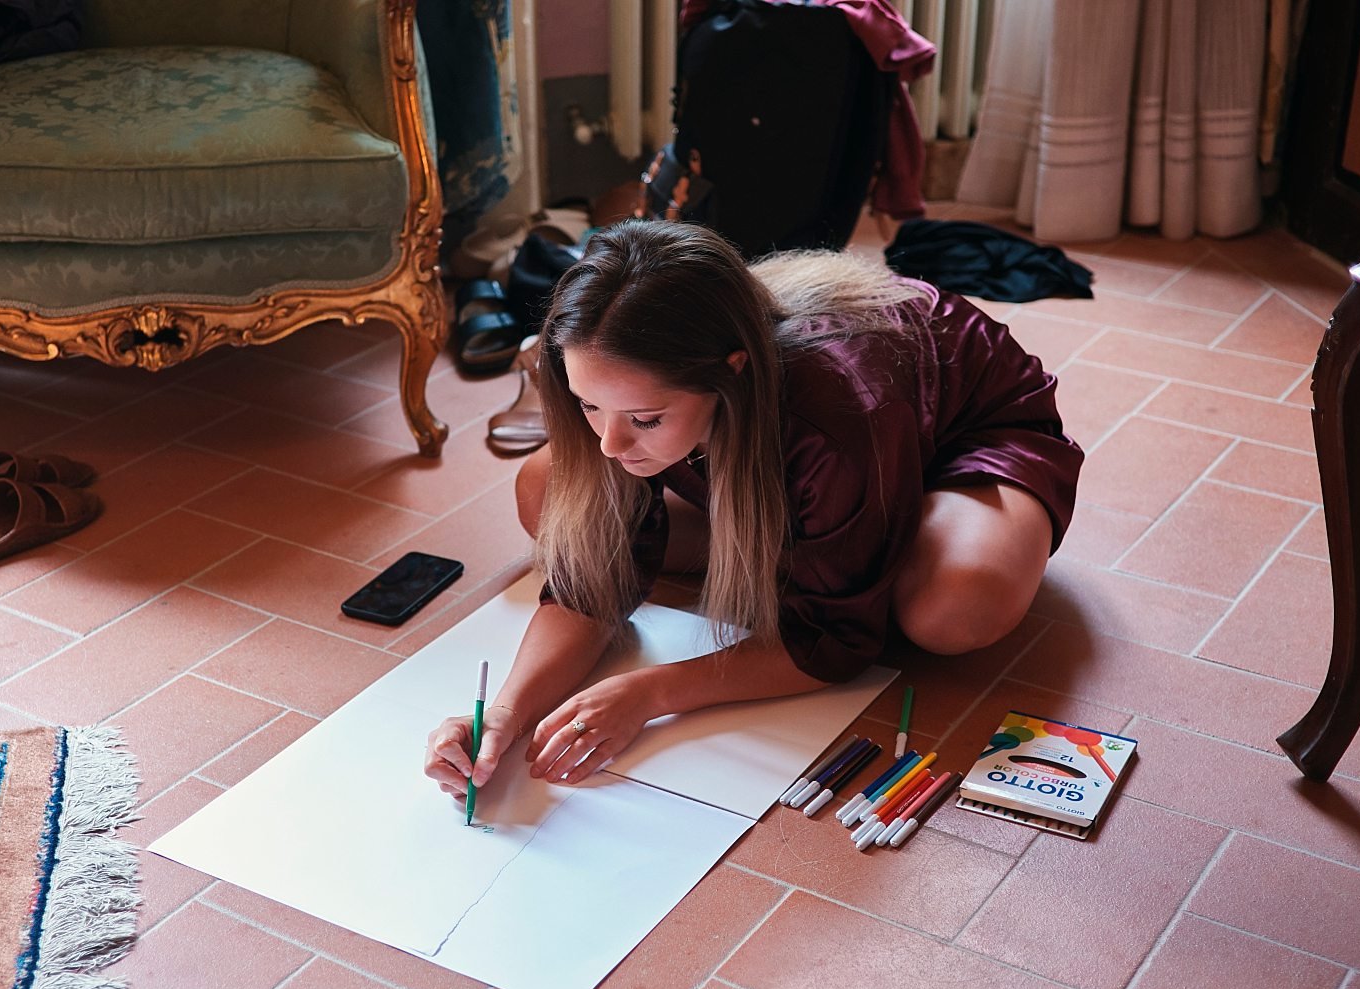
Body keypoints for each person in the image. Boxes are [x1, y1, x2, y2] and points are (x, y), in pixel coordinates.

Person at [426, 217, 1081, 803]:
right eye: (589, 405)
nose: (608, 442)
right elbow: (587, 587)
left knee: (956, 605)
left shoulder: (836, 413)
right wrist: (506, 716)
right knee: (545, 490)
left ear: (730, 374)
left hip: (967, 438)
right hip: (802, 457)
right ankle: (818, 535)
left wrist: (650, 692)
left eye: (644, 418)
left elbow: (834, 641)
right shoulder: (631, 401)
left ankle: (843, 538)